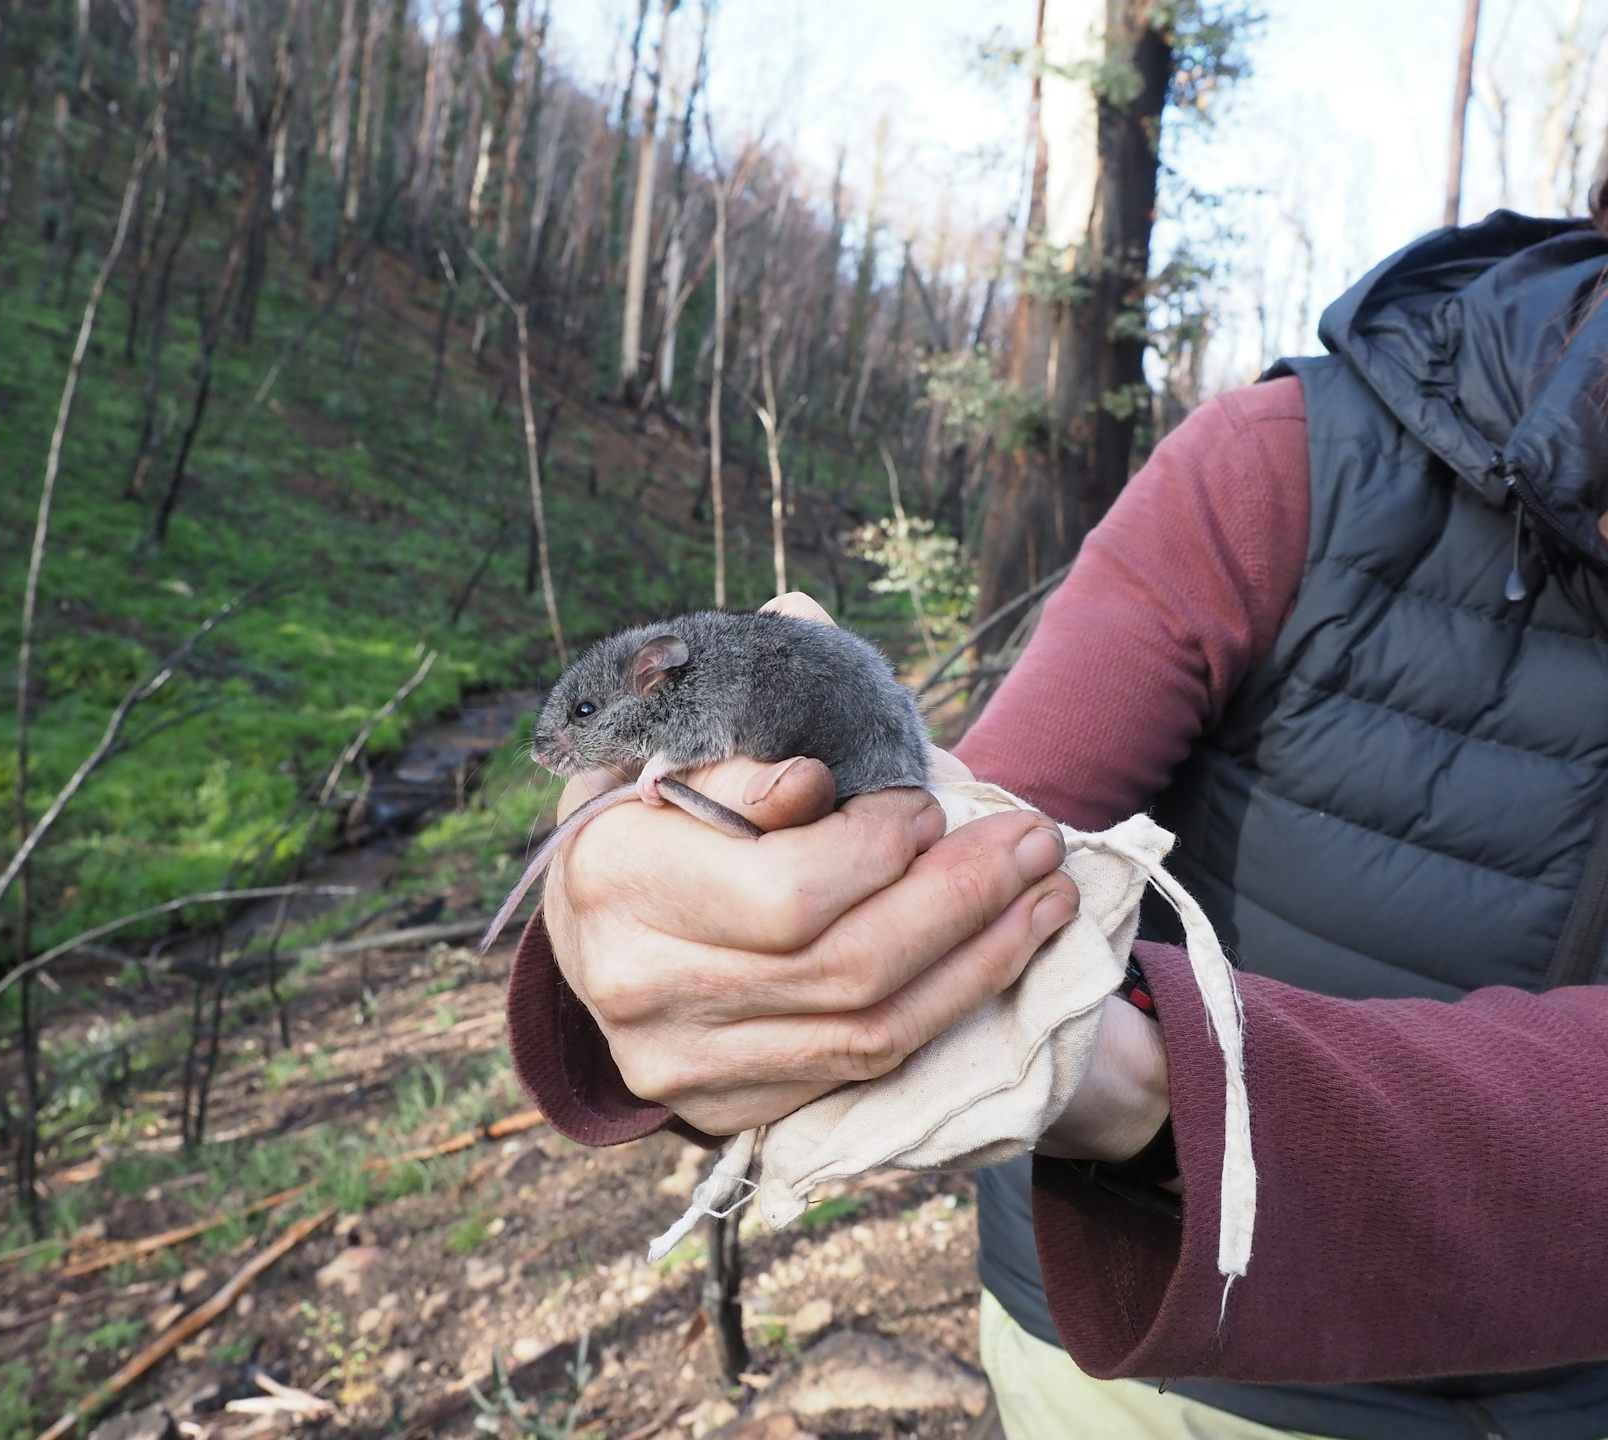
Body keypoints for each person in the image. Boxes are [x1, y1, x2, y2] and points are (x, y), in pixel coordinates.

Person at [504, 199, 1608, 1440]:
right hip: (1155, 1366)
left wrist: (1159, 1086)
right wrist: (697, 950)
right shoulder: (1284, 471)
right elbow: (979, 826)